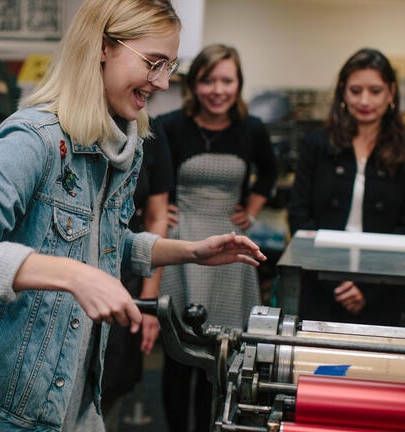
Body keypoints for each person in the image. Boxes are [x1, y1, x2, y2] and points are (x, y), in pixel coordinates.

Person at [0, 1, 266, 431]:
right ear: (104, 46)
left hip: (72, 397)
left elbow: (100, 240)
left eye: (170, 66)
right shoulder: (34, 139)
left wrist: (189, 252)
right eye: (153, 63)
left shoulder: (124, 145)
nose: (161, 82)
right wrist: (72, 274)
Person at [157, 44, 278, 432]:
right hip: (182, 245)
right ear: (194, 84)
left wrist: (252, 210)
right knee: (179, 355)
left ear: (239, 84)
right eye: (208, 80)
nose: (217, 89)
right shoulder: (170, 125)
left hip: (229, 249)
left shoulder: (252, 129)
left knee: (224, 358)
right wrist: (162, 212)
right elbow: (152, 183)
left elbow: (270, 174)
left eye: (227, 80)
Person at [287, 48, 405, 326]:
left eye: (375, 91)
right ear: (342, 92)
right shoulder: (316, 145)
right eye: (356, 90)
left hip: (385, 291)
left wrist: (367, 287)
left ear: (391, 93)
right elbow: (300, 217)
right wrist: (336, 283)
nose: (365, 100)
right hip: (321, 286)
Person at [100, 117, 173, 432]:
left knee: (111, 386)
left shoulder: (150, 132)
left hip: (126, 274)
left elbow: (157, 217)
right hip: (68, 281)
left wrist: (149, 299)